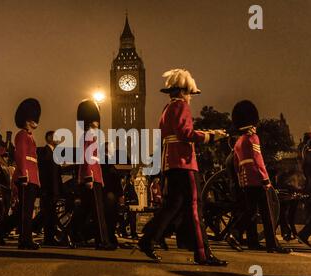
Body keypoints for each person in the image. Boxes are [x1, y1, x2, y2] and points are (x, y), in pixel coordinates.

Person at [136, 68, 228, 265]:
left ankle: (147, 239)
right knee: (195, 208)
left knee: (172, 206)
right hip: (184, 163)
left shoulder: (167, 109)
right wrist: (211, 136)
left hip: (170, 162)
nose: (190, 98)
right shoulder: (182, 107)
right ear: (183, 91)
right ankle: (203, 253)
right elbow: (186, 134)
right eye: (189, 93)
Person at [231, 100, 291, 254]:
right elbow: (258, 161)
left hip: (245, 180)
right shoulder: (253, 138)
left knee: (250, 212)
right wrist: (266, 180)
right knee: (267, 213)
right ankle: (272, 243)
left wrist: (241, 180)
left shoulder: (238, 141)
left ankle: (244, 238)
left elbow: (237, 165)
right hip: (257, 180)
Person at [77, 99, 114, 250]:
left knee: (86, 210)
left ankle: (74, 235)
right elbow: (88, 158)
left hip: (95, 176)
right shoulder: (89, 135)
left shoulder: (91, 135)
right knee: (98, 212)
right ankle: (102, 241)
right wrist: (89, 177)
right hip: (92, 177)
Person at [13, 98, 42, 250]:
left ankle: (26, 238)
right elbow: (20, 155)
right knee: (26, 211)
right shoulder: (22, 135)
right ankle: (25, 239)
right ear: (28, 120)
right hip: (26, 177)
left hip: (31, 177)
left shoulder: (29, 136)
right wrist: (24, 175)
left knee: (27, 211)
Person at [38, 131, 64, 246]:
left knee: (51, 214)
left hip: (54, 190)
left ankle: (51, 237)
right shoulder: (44, 152)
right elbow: (44, 172)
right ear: (49, 138)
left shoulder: (54, 153)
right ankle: (48, 238)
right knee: (48, 214)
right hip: (47, 189)